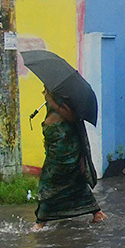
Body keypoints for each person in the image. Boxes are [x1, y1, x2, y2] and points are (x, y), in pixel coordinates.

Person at [33, 88, 107, 229]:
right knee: (75, 182)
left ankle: (40, 222)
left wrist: (51, 100)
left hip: (65, 151)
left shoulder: (63, 95)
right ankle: (97, 213)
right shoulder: (52, 92)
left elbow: (71, 116)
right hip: (55, 147)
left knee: (49, 183)